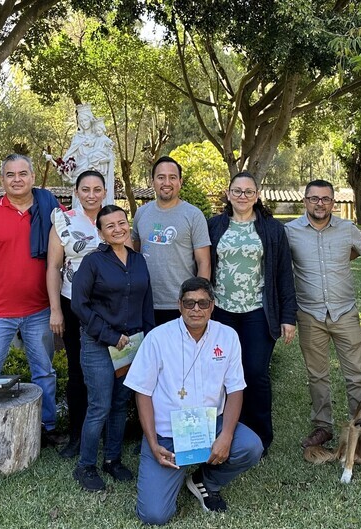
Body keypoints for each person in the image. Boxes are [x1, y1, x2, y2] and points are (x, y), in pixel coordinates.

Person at [125, 277, 263, 525]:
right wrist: (154, 443)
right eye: (189, 303)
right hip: (169, 436)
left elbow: (235, 390)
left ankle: (204, 481)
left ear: (212, 306)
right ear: (179, 305)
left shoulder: (227, 337)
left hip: (211, 426)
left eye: (202, 303)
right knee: (154, 515)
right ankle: (168, 469)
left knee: (251, 446)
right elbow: (142, 393)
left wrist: (227, 436)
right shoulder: (158, 338)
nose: (196, 309)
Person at [0, 154, 63, 445]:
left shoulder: (51, 210)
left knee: (44, 373)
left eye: (23, 173)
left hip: (40, 309)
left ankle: (47, 427)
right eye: (11, 174)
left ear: (33, 177)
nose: (17, 179)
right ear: (2, 180)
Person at [207, 171, 296, 452]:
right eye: (237, 191)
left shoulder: (271, 229)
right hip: (221, 310)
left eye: (248, 192)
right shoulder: (215, 226)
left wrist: (288, 317)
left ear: (257, 195)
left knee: (255, 372)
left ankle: (259, 436)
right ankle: (227, 431)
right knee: (223, 373)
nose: (242, 196)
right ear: (228, 194)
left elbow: (283, 274)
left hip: (258, 310)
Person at [70, 205, 155, 491]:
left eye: (122, 223)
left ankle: (112, 460)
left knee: (120, 403)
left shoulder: (139, 261)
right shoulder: (93, 263)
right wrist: (109, 335)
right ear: (101, 233)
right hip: (98, 344)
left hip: (131, 345)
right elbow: (79, 305)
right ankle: (85, 465)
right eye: (110, 226)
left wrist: (147, 340)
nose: (118, 229)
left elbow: (146, 303)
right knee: (100, 406)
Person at [285, 179, 361, 449]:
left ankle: (360, 429)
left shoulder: (348, 229)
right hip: (310, 314)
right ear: (305, 201)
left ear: (333, 202)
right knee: (317, 375)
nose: (319, 203)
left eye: (325, 199)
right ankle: (323, 426)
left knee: (357, 374)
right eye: (314, 198)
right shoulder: (290, 231)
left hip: (345, 311)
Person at [47, 170, 105, 459]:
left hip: (108, 308)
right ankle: (77, 434)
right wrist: (55, 309)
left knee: (109, 371)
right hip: (72, 305)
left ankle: (106, 431)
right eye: (86, 189)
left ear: (104, 192)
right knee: (77, 371)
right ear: (77, 191)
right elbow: (53, 268)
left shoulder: (114, 219)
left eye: (97, 189)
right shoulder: (63, 220)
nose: (91, 194)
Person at [131, 156, 211, 325]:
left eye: (172, 177)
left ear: (180, 181)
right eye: (161, 177)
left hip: (182, 304)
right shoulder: (141, 213)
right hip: (145, 302)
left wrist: (197, 301)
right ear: (152, 181)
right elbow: (133, 255)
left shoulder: (194, 215)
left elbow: (204, 263)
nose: (166, 182)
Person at [45, 104, 116, 207]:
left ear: (90, 119)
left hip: (97, 174)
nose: (83, 123)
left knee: (98, 203)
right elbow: (69, 157)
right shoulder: (77, 138)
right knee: (80, 205)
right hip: (80, 174)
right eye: (81, 121)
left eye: (85, 120)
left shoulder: (99, 136)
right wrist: (59, 164)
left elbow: (108, 154)